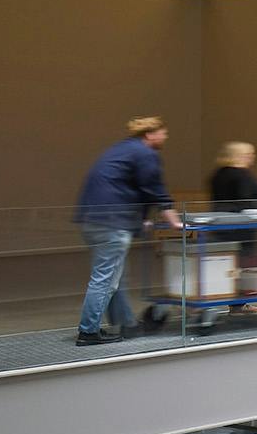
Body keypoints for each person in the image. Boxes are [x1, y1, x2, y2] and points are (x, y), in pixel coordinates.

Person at [74, 117, 181, 346]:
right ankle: (88, 332)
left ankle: (126, 324)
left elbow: (127, 188)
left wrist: (140, 221)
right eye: (163, 133)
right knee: (105, 280)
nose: (165, 137)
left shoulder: (121, 149)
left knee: (115, 277)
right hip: (112, 223)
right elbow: (154, 188)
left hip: (92, 220)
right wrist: (174, 221)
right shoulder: (145, 154)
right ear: (149, 134)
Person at [209, 142, 257, 313]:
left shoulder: (218, 174)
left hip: (222, 224)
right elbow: (246, 201)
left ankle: (230, 300)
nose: (252, 157)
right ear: (239, 155)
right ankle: (237, 303)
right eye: (249, 154)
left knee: (225, 263)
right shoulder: (242, 176)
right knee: (239, 264)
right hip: (242, 227)